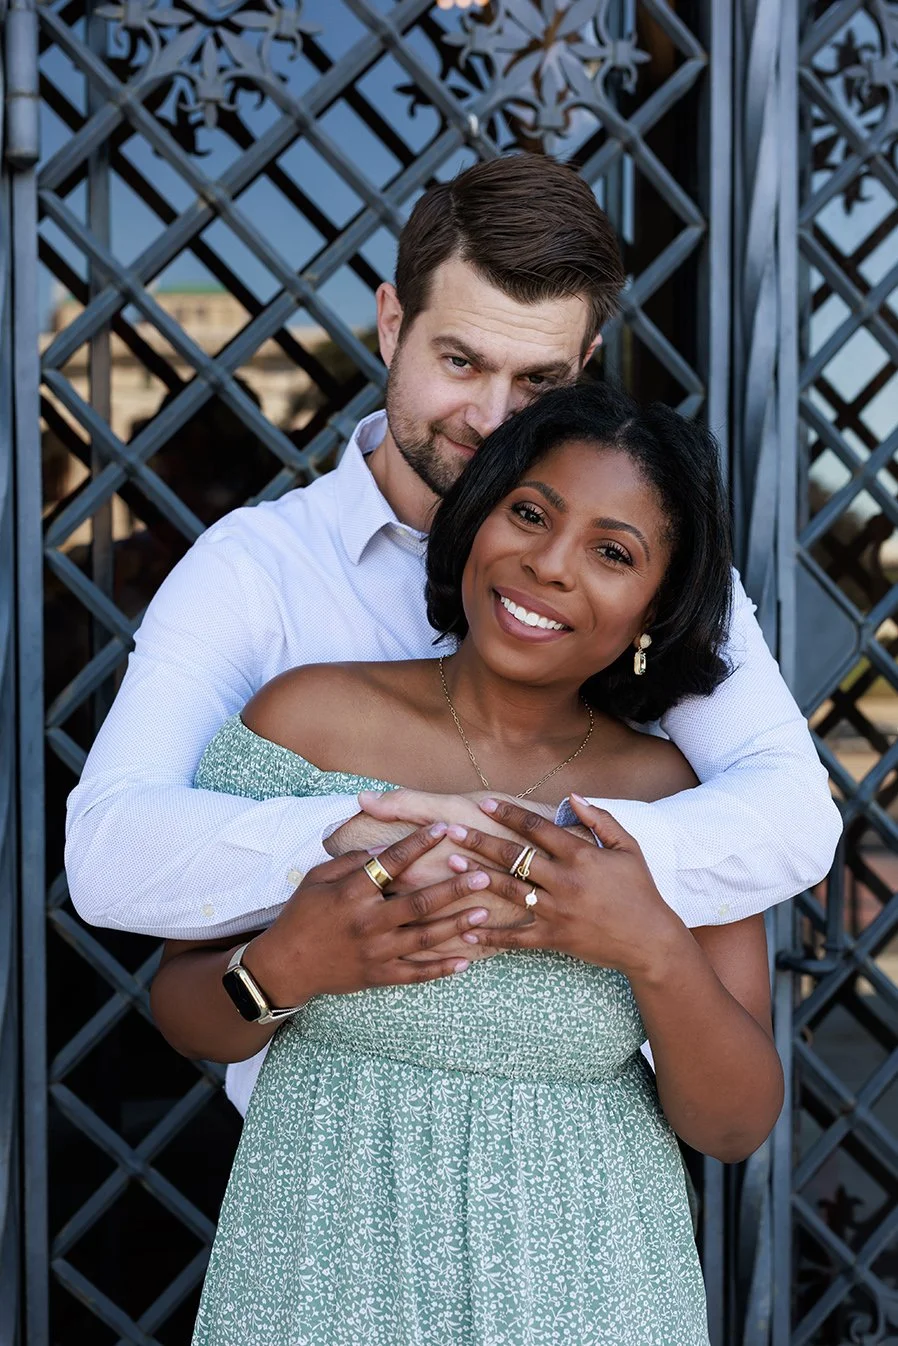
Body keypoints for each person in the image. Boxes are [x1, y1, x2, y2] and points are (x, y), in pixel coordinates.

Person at [65, 154, 840, 1122]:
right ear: (392, 324)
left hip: (585, 1163)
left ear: (586, 362)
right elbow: (108, 852)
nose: (490, 417)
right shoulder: (256, 570)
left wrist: (569, 868)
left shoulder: (639, 581)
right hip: (318, 1157)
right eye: (461, 361)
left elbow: (793, 817)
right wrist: (357, 835)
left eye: (538, 379)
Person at [151, 383, 785, 1344]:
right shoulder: (306, 722)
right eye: (530, 513)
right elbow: (181, 1010)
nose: (548, 563)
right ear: (480, 515)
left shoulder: (679, 798)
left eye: (613, 553)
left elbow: (734, 1127)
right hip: (323, 1264)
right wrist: (286, 967)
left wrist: (652, 948)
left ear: (660, 604)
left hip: (594, 1279)